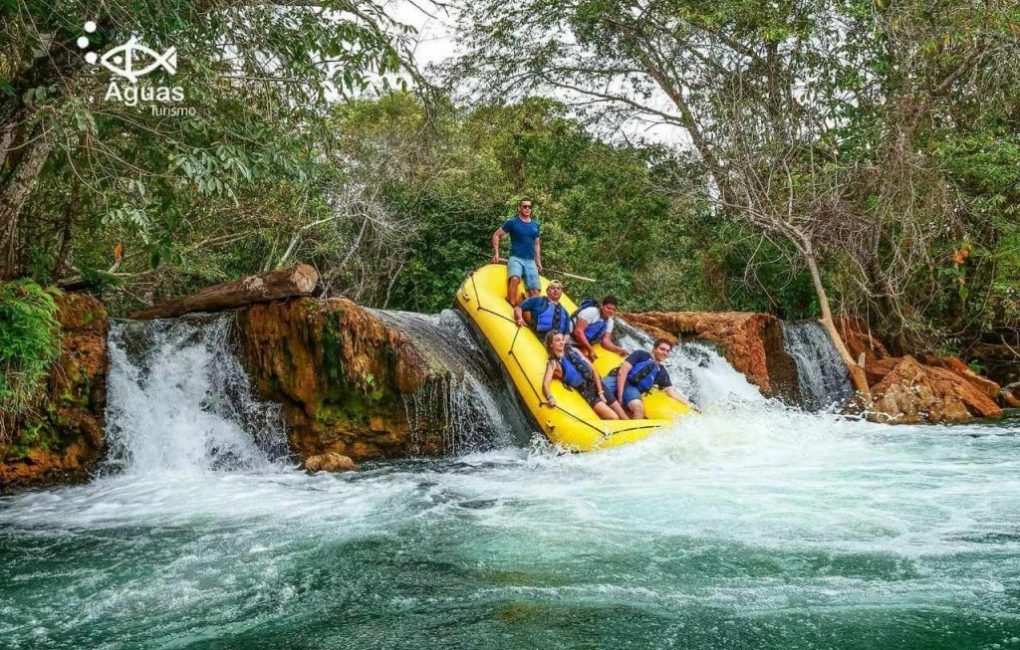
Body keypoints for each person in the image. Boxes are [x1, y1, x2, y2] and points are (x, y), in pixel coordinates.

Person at [601, 338, 693, 419]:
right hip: (617, 379)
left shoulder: (662, 372)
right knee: (600, 395)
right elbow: (622, 372)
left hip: (632, 387)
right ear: (654, 349)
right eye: (662, 349)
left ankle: (633, 433)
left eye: (667, 351)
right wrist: (620, 397)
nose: (665, 352)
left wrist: (689, 405)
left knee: (639, 408)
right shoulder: (640, 354)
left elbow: (671, 392)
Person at [541, 332, 619, 420]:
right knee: (614, 417)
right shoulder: (553, 363)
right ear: (551, 344)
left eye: (562, 339)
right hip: (587, 392)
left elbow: (593, 370)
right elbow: (545, 384)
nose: (562, 342)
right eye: (558, 340)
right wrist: (550, 397)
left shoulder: (574, 351)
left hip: (596, 384)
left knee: (621, 414)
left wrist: (601, 392)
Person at [491, 199, 542, 305]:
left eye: (529, 206)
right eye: (524, 206)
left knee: (534, 291)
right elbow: (496, 235)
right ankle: (511, 304)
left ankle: (534, 318)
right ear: (519, 208)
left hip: (530, 261)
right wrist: (496, 253)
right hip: (516, 258)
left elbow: (537, 244)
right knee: (514, 278)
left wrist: (538, 262)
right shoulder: (512, 222)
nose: (527, 208)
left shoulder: (535, 225)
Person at [571, 295, 628, 361]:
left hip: (583, 343)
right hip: (571, 338)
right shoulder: (591, 312)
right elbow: (578, 332)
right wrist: (590, 349)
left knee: (588, 357)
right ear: (602, 306)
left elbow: (605, 341)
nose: (610, 311)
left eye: (613, 310)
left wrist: (619, 349)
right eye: (608, 308)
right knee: (585, 356)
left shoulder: (610, 321)